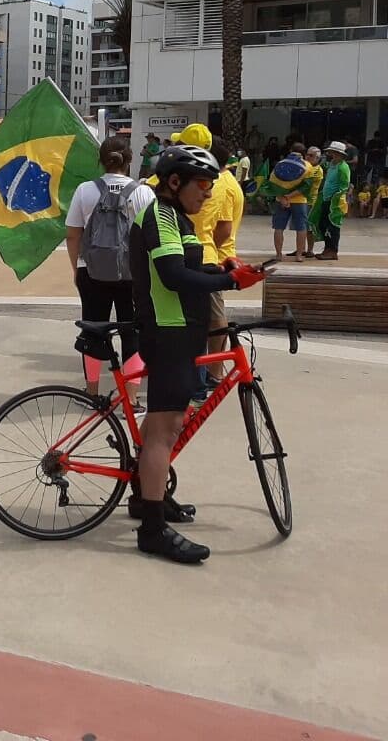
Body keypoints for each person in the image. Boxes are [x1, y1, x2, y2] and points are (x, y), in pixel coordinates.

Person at [130, 145, 267, 563]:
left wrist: (225, 272)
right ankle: (152, 530)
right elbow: (172, 276)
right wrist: (227, 284)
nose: (209, 193)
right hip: (167, 331)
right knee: (164, 429)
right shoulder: (159, 216)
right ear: (175, 182)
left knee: (168, 424)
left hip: (183, 331)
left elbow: (192, 268)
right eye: (203, 184)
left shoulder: (180, 219)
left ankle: (148, 499)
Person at [64, 136, 153, 400]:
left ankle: (91, 393)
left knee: (93, 331)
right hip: (133, 274)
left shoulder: (85, 190)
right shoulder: (144, 192)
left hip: (90, 271)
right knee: (132, 333)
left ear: (100, 161)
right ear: (130, 160)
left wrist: (77, 268)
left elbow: (72, 234)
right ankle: (131, 397)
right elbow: (151, 236)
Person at [194, 139, 246, 398]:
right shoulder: (223, 180)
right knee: (209, 316)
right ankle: (210, 369)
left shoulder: (222, 184)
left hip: (215, 258)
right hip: (214, 256)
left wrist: (207, 249)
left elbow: (223, 229)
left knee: (214, 317)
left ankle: (214, 372)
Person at [269, 143, 314, 262]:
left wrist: (283, 197)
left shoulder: (279, 164)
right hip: (299, 201)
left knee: (278, 228)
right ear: (303, 153)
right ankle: (299, 255)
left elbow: (272, 184)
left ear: (290, 150)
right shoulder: (308, 166)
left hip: (281, 201)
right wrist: (290, 196)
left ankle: (279, 254)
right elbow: (306, 186)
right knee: (301, 228)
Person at [314, 141, 351, 261]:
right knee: (323, 224)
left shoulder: (343, 167)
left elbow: (344, 185)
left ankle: (332, 250)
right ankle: (327, 248)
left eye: (334, 152)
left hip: (334, 201)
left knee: (333, 226)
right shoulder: (331, 164)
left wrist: (336, 198)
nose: (331, 154)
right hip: (326, 198)